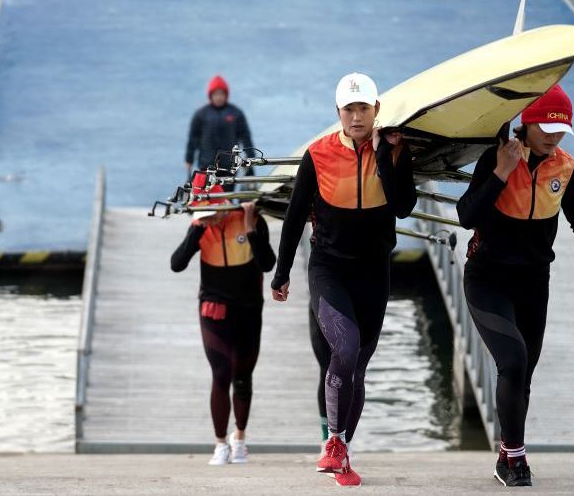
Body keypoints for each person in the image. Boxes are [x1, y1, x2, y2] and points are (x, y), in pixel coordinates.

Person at [456, 84, 574, 487]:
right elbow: (466, 215)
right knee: (512, 360)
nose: (553, 136)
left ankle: (506, 454)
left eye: (561, 129)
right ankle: (517, 458)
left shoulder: (565, 167)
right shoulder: (496, 158)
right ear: (526, 121)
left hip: (533, 285)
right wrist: (501, 172)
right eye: (546, 127)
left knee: (523, 375)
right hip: (487, 279)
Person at [270, 72, 417, 486]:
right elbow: (294, 217)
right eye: (349, 109)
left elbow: (404, 206)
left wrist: (385, 158)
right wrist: (282, 272)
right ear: (338, 112)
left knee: (358, 369)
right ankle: (333, 441)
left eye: (363, 108)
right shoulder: (317, 155)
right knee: (345, 347)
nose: (356, 116)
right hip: (329, 268)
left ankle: (343, 452)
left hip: (374, 272)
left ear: (376, 110)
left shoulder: (394, 152)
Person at [170, 174, 276, 465]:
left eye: (212, 214)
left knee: (242, 375)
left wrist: (251, 229)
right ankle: (220, 444)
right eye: (203, 215)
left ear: (223, 204)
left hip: (249, 308)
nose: (210, 220)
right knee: (221, 373)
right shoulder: (201, 227)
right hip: (214, 308)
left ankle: (239, 438)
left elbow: (268, 264)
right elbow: (176, 264)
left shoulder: (250, 219)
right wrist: (196, 230)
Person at [185, 75, 254, 180]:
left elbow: (245, 137)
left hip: (229, 166)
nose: (219, 97)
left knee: (227, 191)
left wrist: (251, 158)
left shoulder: (236, 113)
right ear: (211, 95)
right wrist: (189, 160)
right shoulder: (201, 114)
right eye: (216, 94)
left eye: (222, 94)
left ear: (226, 95)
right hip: (207, 166)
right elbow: (193, 139)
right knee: (207, 190)